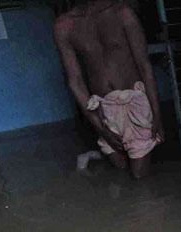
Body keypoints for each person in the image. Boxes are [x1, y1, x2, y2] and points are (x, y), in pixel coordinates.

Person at [54, 0, 164, 179]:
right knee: (119, 167)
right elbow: (75, 81)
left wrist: (157, 116)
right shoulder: (64, 26)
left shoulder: (122, 12)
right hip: (103, 108)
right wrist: (101, 128)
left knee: (138, 177)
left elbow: (144, 66)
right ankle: (92, 156)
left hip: (133, 103)